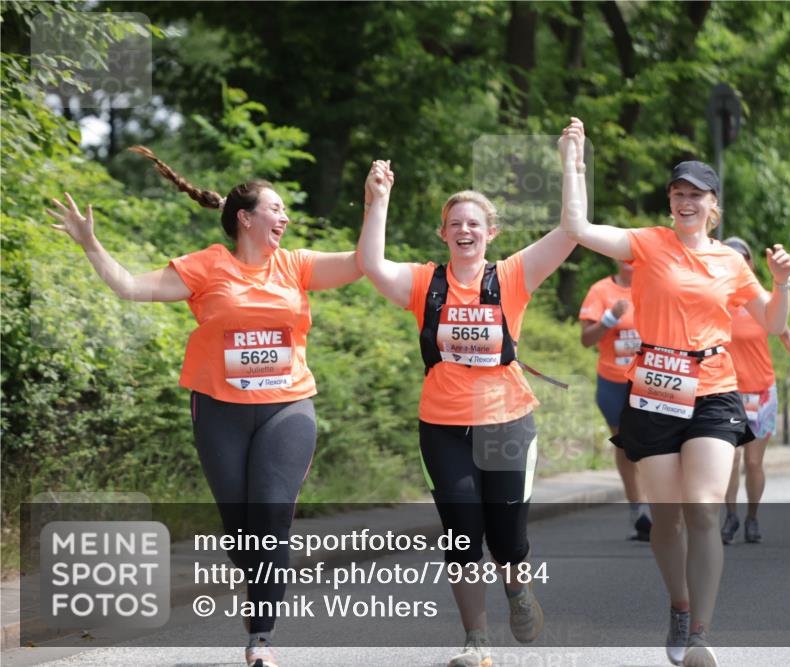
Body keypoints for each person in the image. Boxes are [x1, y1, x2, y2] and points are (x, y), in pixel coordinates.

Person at [46, 146, 364, 667]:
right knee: (241, 533)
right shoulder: (207, 266)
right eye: (276, 208)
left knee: (271, 519)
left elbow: (362, 263)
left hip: (287, 407)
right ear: (246, 218)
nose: (285, 217)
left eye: (285, 210)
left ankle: (261, 640)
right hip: (220, 410)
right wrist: (90, 244)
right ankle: (256, 593)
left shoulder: (296, 265)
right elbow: (129, 287)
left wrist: (376, 200)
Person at [355, 120, 582, 667]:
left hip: (507, 422)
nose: (464, 230)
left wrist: (570, 162)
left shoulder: (512, 277)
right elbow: (371, 265)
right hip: (443, 427)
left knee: (507, 539)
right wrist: (376, 201)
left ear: (490, 233)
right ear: (443, 234)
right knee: (461, 535)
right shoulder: (425, 283)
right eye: (455, 223)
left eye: (474, 223)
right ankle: (476, 641)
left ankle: (517, 587)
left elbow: (570, 231)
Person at [560, 148, 790, 667]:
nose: (686, 202)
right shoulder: (648, 243)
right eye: (678, 193)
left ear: (714, 205)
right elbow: (577, 227)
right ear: (670, 201)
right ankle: (680, 606)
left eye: (696, 195)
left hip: (713, 387)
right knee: (667, 520)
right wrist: (573, 162)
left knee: (703, 507)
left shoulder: (731, 262)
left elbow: (774, 322)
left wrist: (782, 283)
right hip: (655, 389)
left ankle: (700, 637)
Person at [719, 237, 790, 545]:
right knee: (731, 459)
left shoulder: (760, 299)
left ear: (750, 263)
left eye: (741, 257)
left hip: (762, 392)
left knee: (754, 463)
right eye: (729, 255)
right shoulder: (714, 299)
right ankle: (731, 515)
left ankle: (752, 517)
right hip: (726, 392)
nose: (736, 261)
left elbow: (784, 332)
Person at [579, 261, 651, 540]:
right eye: (623, 255)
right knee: (625, 445)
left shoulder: (655, 286)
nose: (628, 260)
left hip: (649, 380)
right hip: (613, 382)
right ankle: (638, 509)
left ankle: (657, 507)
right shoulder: (601, 290)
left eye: (633, 256)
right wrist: (610, 318)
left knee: (651, 444)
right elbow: (586, 339)